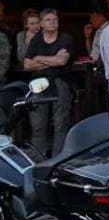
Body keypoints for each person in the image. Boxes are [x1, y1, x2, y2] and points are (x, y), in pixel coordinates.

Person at [23, 9, 75, 156]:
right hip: (38, 84)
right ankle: (39, 159)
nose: (52, 22)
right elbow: (27, 65)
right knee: (38, 124)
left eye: (54, 20)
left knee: (61, 123)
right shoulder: (36, 40)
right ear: (42, 24)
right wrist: (53, 60)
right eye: (48, 20)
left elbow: (62, 61)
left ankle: (59, 159)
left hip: (60, 82)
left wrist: (39, 58)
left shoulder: (65, 38)